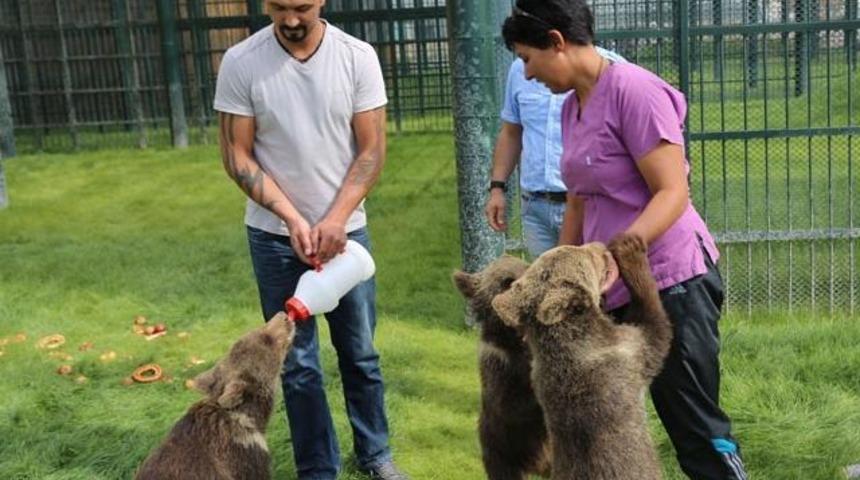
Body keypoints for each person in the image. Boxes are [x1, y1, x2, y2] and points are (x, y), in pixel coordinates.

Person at [501, 1, 749, 479]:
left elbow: (673, 191)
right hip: (610, 284)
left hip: (672, 281)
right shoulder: (573, 104)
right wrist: (556, 269)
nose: (527, 75)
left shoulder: (636, 91)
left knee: (693, 424)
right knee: (604, 427)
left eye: (528, 59)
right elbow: (578, 196)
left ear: (557, 42)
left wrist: (620, 251)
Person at [213, 1, 408, 479]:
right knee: (297, 366)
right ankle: (318, 469)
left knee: (359, 352)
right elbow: (236, 155)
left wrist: (336, 219)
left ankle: (376, 454)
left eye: (301, 6)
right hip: (274, 237)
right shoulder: (241, 62)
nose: (292, 18)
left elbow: (372, 149)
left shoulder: (357, 57)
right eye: (280, 7)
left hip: (347, 234)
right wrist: (292, 218)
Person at [485, 48, 626, 259]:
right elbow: (511, 132)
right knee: (542, 286)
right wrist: (497, 188)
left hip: (586, 207)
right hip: (535, 206)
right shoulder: (519, 70)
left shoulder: (609, 69)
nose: (529, 73)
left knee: (590, 286)